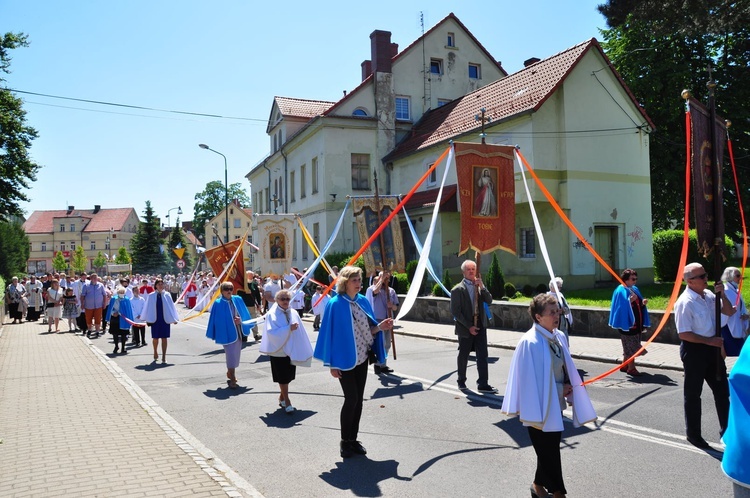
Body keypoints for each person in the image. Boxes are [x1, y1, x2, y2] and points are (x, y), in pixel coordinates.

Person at [501, 294, 597, 498]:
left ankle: (537, 485)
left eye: (558, 311)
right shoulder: (530, 343)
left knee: (548, 449)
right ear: (538, 317)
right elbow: (529, 382)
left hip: (555, 403)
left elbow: (564, 367)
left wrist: (570, 385)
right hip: (537, 407)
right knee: (549, 451)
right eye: (551, 312)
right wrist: (558, 389)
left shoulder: (558, 337)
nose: (557, 316)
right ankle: (558, 493)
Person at [313, 265, 392, 458]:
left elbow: (369, 331)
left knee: (359, 402)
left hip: (362, 358)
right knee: (351, 399)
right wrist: (332, 364)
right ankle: (344, 442)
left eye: (359, 279)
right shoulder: (335, 303)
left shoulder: (364, 301)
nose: (358, 283)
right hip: (343, 360)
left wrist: (380, 327)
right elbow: (330, 334)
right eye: (354, 280)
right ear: (345, 282)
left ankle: (353, 440)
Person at [674, 262, 736, 449]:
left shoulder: (709, 295)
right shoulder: (685, 302)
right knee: (693, 394)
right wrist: (710, 342)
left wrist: (722, 295)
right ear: (690, 281)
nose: (705, 278)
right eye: (701, 276)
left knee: (722, 392)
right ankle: (693, 434)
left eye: (705, 274)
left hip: (713, 349)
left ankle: (726, 432)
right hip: (694, 350)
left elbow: (729, 311)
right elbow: (684, 334)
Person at [260, 289, 313, 413]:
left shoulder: (293, 312)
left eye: (287, 299)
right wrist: (288, 329)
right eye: (282, 299)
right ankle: (287, 401)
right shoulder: (271, 314)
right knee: (282, 377)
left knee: (288, 377)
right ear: (277, 300)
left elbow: (300, 331)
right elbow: (271, 333)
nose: (285, 301)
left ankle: (281, 396)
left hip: (291, 348)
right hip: (278, 350)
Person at [450, 259, 496, 392]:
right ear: (463, 272)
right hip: (465, 327)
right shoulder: (457, 290)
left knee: (482, 355)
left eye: (473, 269)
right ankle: (461, 380)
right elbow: (456, 312)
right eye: (468, 269)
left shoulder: (479, 287)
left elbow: (489, 301)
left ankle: (483, 383)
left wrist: (482, 287)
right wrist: (469, 326)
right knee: (463, 354)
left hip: (480, 325)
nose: (471, 271)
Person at [205, 282, 254, 389]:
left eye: (231, 289)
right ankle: (232, 377)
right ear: (222, 290)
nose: (229, 291)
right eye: (226, 289)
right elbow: (215, 320)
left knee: (235, 354)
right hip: (226, 332)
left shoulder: (238, 299)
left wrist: (240, 321)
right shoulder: (218, 303)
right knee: (231, 354)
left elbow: (245, 314)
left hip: (238, 331)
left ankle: (230, 371)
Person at [608, 269, 650, 376]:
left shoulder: (634, 289)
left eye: (636, 278)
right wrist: (629, 301)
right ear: (626, 279)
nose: (635, 281)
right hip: (626, 325)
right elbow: (619, 308)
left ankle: (624, 365)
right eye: (633, 279)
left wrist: (642, 302)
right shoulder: (620, 290)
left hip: (637, 324)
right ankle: (631, 368)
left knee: (629, 345)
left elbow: (638, 305)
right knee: (631, 346)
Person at [366, 270, 399, 374]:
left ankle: (383, 365)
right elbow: (375, 292)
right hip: (378, 321)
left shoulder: (391, 291)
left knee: (387, 344)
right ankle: (377, 365)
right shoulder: (372, 289)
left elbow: (395, 307)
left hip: (388, 320)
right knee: (380, 343)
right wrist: (381, 278)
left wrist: (391, 306)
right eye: (384, 278)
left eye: (387, 278)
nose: (386, 280)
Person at [140, 278, 180, 364]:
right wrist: (147, 318)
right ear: (156, 286)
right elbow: (147, 307)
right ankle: (155, 351)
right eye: (159, 284)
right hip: (155, 320)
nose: (160, 286)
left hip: (165, 319)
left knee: (164, 338)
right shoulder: (151, 295)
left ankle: (164, 356)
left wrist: (174, 318)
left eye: (162, 284)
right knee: (155, 338)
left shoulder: (167, 295)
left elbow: (171, 307)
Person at [720, 266, 749, 356]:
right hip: (728, 326)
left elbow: (741, 307)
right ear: (730, 276)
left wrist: (746, 316)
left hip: (738, 325)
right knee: (732, 352)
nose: (740, 278)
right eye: (737, 276)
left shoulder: (735, 290)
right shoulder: (725, 290)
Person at [105, 286, 134, 354]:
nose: (121, 293)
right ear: (118, 292)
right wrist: (113, 313)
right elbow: (110, 308)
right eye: (120, 292)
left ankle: (123, 347)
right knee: (115, 333)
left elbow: (128, 310)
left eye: (123, 292)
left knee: (124, 334)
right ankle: (116, 346)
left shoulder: (127, 299)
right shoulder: (113, 299)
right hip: (115, 318)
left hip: (123, 319)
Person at [237, 271, 263, 341]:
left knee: (254, 320)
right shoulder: (242, 284)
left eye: (252, 275)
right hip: (244, 305)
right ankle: (245, 335)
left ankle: (256, 334)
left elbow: (257, 295)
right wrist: (245, 292)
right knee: (245, 321)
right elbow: (238, 294)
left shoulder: (254, 284)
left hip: (252, 305)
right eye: (249, 275)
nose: (251, 276)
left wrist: (259, 304)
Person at [80, 273, 107, 338]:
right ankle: (89, 329)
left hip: (98, 306)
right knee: (88, 319)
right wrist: (82, 304)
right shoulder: (86, 285)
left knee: (98, 318)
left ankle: (97, 331)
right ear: (91, 279)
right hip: (88, 306)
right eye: (93, 278)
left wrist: (105, 303)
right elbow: (82, 296)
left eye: (96, 278)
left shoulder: (101, 285)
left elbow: (104, 295)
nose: (95, 279)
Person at [547, 277, 572, 346]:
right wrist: (556, 312)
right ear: (552, 287)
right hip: (552, 326)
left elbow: (568, 310)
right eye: (558, 287)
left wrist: (563, 310)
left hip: (562, 326)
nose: (559, 289)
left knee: (565, 346)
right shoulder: (547, 297)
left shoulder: (560, 296)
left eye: (560, 287)